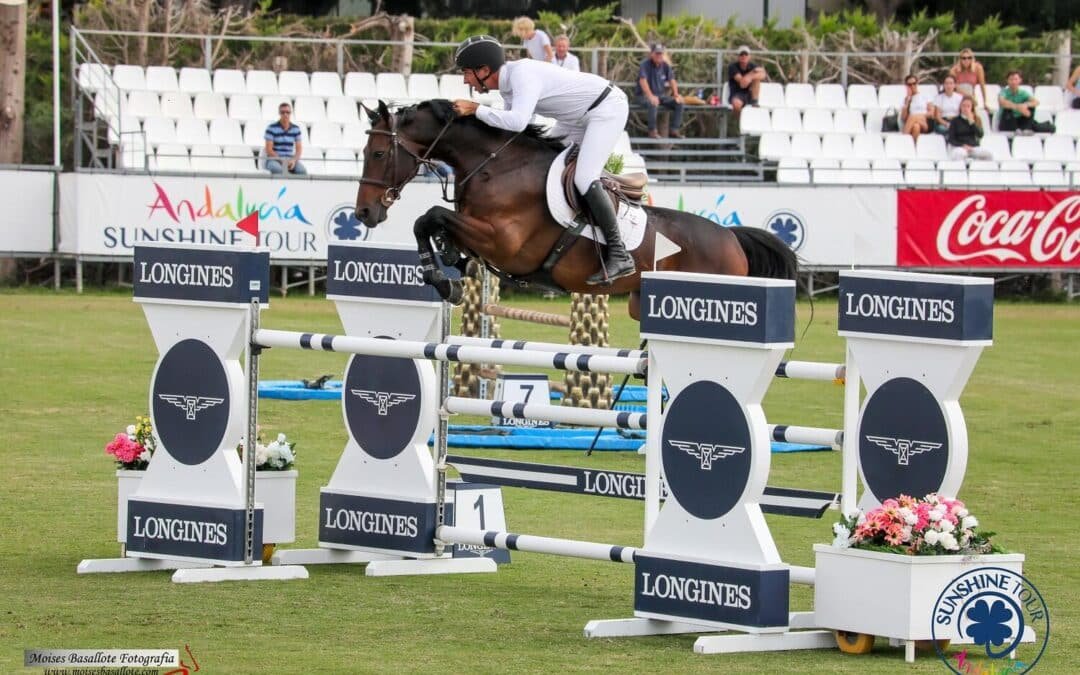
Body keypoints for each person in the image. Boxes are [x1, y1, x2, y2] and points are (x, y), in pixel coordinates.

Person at [451, 35, 635, 285]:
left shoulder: (522, 75)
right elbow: (514, 133)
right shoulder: (508, 87)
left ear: (484, 70)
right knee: (545, 162)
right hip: (578, 117)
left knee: (584, 177)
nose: (465, 79)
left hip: (606, 109)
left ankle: (619, 253)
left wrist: (476, 109)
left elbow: (518, 122)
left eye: (467, 72)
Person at [635, 43, 684, 139]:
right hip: (642, 96)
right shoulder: (645, 64)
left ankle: (674, 130)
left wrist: (676, 94)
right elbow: (642, 81)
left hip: (660, 96)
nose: (659, 55)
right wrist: (650, 96)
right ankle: (652, 131)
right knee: (653, 103)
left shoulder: (665, 65)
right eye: (657, 53)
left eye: (661, 53)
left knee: (679, 103)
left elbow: (672, 80)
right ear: (652, 54)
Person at [947, 95, 993, 161]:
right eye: (963, 106)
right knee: (960, 154)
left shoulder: (976, 119)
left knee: (988, 154)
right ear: (960, 107)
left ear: (972, 108)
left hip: (973, 147)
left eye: (968, 106)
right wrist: (963, 145)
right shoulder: (955, 121)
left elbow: (980, 135)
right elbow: (951, 139)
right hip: (960, 147)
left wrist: (972, 122)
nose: (965, 108)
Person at [264, 102, 306, 175]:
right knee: (278, 170)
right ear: (279, 113)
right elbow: (269, 150)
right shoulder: (271, 128)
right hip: (274, 159)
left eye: (287, 112)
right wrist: (282, 161)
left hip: (289, 158)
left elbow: (299, 149)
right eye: (283, 112)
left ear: (290, 113)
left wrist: (293, 160)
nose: (285, 114)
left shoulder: (296, 129)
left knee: (301, 171)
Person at [727, 45, 765, 117]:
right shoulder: (732, 67)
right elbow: (742, 83)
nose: (744, 56)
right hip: (737, 93)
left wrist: (751, 77)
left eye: (746, 54)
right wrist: (752, 73)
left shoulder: (752, 66)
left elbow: (763, 74)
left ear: (749, 56)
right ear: (738, 56)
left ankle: (755, 102)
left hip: (751, 93)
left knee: (757, 79)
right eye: (741, 54)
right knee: (736, 104)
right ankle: (741, 121)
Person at [900, 75, 931, 140]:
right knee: (916, 127)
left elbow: (931, 113)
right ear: (906, 86)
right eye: (909, 85)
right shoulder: (906, 99)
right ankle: (913, 147)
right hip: (912, 124)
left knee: (913, 117)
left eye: (914, 83)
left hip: (924, 122)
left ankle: (902, 140)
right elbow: (903, 117)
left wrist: (919, 116)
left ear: (917, 83)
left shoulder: (924, 96)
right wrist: (907, 101)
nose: (912, 86)